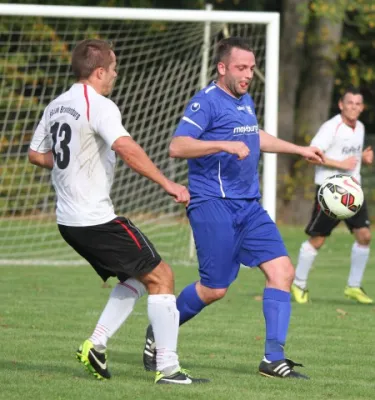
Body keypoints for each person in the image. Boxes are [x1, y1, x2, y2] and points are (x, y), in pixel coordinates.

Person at [28, 39, 208, 385]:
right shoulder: (100, 105)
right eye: (112, 69)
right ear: (98, 72)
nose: (116, 74)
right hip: (94, 219)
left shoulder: (57, 105)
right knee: (162, 276)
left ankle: (96, 344)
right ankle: (168, 369)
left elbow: (37, 155)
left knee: (137, 279)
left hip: (69, 221)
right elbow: (126, 148)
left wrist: (74, 160)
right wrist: (167, 184)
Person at [142, 37, 324, 379]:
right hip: (212, 204)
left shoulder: (245, 99)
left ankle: (273, 358)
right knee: (215, 289)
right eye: (241, 68)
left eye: (252, 68)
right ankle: (160, 332)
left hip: (249, 207)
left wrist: (299, 149)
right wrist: (222, 143)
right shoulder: (205, 103)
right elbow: (177, 146)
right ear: (222, 67)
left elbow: (255, 136)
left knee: (282, 272)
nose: (248, 74)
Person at [291, 88, 373, 305]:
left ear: (362, 107)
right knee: (318, 239)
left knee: (364, 236)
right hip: (331, 192)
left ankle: (353, 287)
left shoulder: (360, 127)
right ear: (341, 105)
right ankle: (298, 283)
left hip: (353, 191)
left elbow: (350, 156)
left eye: (358, 103)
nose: (354, 107)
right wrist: (340, 165)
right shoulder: (331, 128)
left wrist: (361, 158)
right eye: (350, 102)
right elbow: (312, 155)